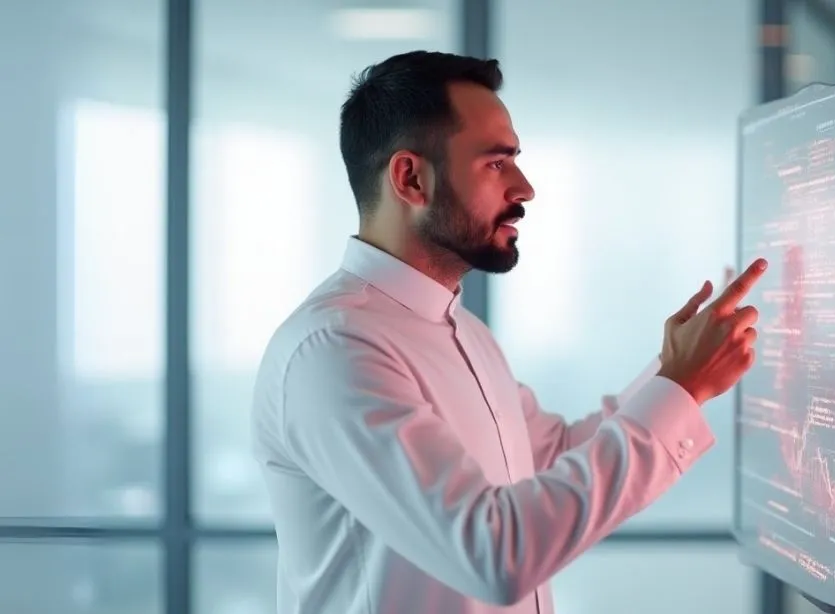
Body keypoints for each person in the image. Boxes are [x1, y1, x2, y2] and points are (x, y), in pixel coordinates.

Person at [250, 50, 767, 614]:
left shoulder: (466, 333)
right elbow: (492, 554)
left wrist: (678, 370)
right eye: (496, 164)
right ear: (410, 178)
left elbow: (554, 455)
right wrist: (680, 389)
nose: (525, 188)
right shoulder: (333, 350)